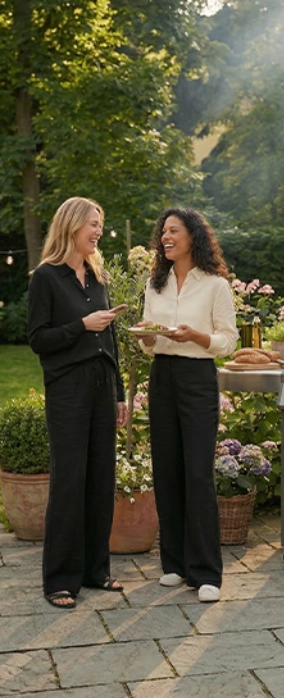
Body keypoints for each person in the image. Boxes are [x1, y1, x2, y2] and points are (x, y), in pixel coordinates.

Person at [27, 197, 128, 609]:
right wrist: (80, 327)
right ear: (70, 225)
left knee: (101, 479)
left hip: (103, 386)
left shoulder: (98, 276)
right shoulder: (45, 278)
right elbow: (38, 339)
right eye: (93, 223)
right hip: (68, 388)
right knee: (70, 481)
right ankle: (60, 580)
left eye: (101, 224)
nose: (99, 231)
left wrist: (120, 394)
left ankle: (96, 570)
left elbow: (111, 341)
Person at [138, 207, 238, 603]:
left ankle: (206, 571)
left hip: (197, 378)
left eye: (173, 231)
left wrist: (197, 337)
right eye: (163, 232)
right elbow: (149, 337)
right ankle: (175, 564)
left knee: (197, 473)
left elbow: (227, 341)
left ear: (192, 236)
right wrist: (145, 337)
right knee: (167, 470)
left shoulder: (215, 285)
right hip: (162, 375)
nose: (165, 237)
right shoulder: (155, 283)